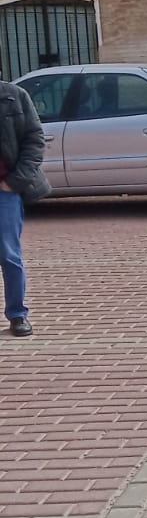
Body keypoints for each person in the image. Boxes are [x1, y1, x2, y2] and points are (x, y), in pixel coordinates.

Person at [0, 75, 51, 339]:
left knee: (9, 255)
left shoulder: (13, 96)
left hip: (4, 191)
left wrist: (15, 181)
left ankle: (18, 315)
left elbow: (35, 138)